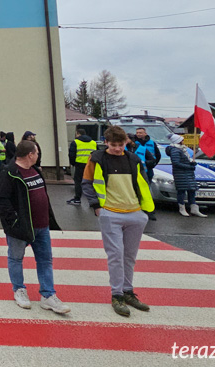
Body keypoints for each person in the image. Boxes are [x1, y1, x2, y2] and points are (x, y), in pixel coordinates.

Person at [82, 125, 154, 317]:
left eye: (121, 144)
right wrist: (97, 207)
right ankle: (117, 295)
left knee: (129, 257)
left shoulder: (133, 159)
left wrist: (144, 212)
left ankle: (128, 292)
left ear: (126, 142)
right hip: (110, 213)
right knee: (116, 255)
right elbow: (87, 183)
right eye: (113, 144)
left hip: (135, 213)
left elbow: (143, 183)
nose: (117, 148)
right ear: (106, 142)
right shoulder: (97, 159)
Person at [0, 140, 71, 315]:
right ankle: (19, 290)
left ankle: (48, 295)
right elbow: (2, 201)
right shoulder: (9, 173)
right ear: (30, 154)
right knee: (16, 258)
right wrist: (13, 222)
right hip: (21, 227)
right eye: (37, 152)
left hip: (42, 226)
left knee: (45, 260)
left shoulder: (35, 171)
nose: (38, 155)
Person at [166, 133, 205, 217]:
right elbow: (176, 163)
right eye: (182, 140)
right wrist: (189, 167)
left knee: (192, 190)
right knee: (182, 191)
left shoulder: (182, 149)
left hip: (187, 173)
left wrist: (192, 163)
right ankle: (182, 208)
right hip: (180, 174)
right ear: (178, 141)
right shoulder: (175, 150)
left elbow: (186, 160)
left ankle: (194, 209)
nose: (183, 141)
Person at [132, 127, 161, 220]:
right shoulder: (134, 143)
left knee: (147, 190)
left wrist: (152, 164)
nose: (138, 134)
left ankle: (148, 209)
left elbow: (157, 155)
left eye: (140, 132)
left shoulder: (151, 143)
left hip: (148, 170)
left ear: (145, 133)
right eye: (137, 132)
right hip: (136, 171)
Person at [67, 128, 96, 206]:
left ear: (78, 134)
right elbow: (98, 154)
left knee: (78, 182)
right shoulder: (93, 142)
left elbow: (71, 155)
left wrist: (73, 164)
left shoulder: (75, 142)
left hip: (79, 165)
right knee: (91, 182)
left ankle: (77, 199)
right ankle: (93, 201)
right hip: (91, 164)